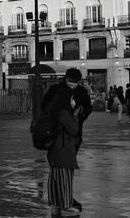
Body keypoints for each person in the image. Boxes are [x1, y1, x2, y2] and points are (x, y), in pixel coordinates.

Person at [41, 68, 91, 211]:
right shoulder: (57, 90)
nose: (73, 84)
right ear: (65, 79)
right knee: (63, 169)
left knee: (59, 169)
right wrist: (73, 116)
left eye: (75, 82)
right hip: (63, 135)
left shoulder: (81, 91)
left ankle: (58, 199)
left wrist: (81, 116)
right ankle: (64, 199)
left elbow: (88, 107)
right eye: (71, 81)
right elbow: (44, 106)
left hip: (66, 136)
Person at [45, 87, 81, 218]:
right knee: (65, 178)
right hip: (63, 149)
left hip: (54, 150)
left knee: (55, 178)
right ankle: (66, 206)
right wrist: (75, 117)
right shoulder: (64, 113)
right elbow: (73, 130)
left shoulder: (53, 110)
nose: (73, 101)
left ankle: (56, 205)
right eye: (72, 98)